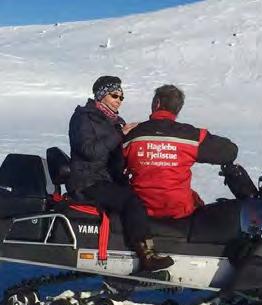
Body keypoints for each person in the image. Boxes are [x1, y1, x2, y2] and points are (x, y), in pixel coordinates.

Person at [67, 76, 174, 271]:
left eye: (121, 97)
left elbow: (118, 154)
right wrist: (120, 134)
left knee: (144, 195)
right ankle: (147, 256)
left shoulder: (115, 122)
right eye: (115, 95)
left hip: (109, 179)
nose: (119, 100)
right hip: (88, 182)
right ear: (101, 96)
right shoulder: (83, 117)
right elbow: (89, 151)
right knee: (130, 200)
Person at [123, 84, 247, 243]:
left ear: (157, 103)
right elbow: (229, 151)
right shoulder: (190, 136)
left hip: (141, 207)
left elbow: (116, 164)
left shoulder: (133, 134)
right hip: (178, 210)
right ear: (177, 109)